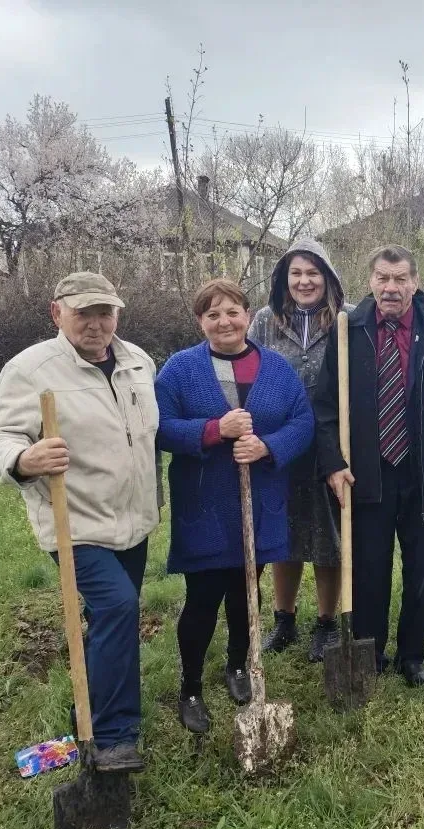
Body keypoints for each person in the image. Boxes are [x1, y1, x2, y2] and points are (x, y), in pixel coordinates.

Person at [0, 272, 160, 773]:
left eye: (105, 312)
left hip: (134, 520)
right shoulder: (31, 370)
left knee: (112, 619)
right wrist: (24, 458)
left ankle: (93, 701)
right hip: (75, 524)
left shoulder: (137, 362)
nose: (96, 323)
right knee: (119, 608)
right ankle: (115, 735)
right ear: (57, 312)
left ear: (117, 314)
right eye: (84, 313)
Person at [155, 279, 314, 733]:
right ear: (200, 321)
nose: (224, 321)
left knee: (247, 592)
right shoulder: (180, 370)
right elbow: (161, 427)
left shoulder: (276, 368)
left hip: (257, 503)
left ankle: (239, 666)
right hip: (206, 505)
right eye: (212, 314)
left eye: (232, 311)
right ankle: (190, 687)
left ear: (248, 315)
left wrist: (267, 446)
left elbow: (302, 422)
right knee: (203, 597)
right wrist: (212, 430)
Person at [314, 244, 424, 687]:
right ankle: (370, 651)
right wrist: (332, 463)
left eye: (401, 279)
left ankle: (412, 656)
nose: (391, 288)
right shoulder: (348, 332)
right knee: (369, 568)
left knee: (420, 568)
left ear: (415, 283)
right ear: (370, 282)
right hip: (366, 473)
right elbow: (325, 407)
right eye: (383, 278)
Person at [248, 239, 348, 662]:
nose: (305, 281)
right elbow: (247, 369)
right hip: (279, 446)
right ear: (283, 280)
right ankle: (283, 619)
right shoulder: (265, 322)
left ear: (327, 278)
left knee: (328, 538)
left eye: (313, 273)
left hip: (330, 446)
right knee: (282, 537)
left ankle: (326, 624)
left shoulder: (346, 322)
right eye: (296, 273)